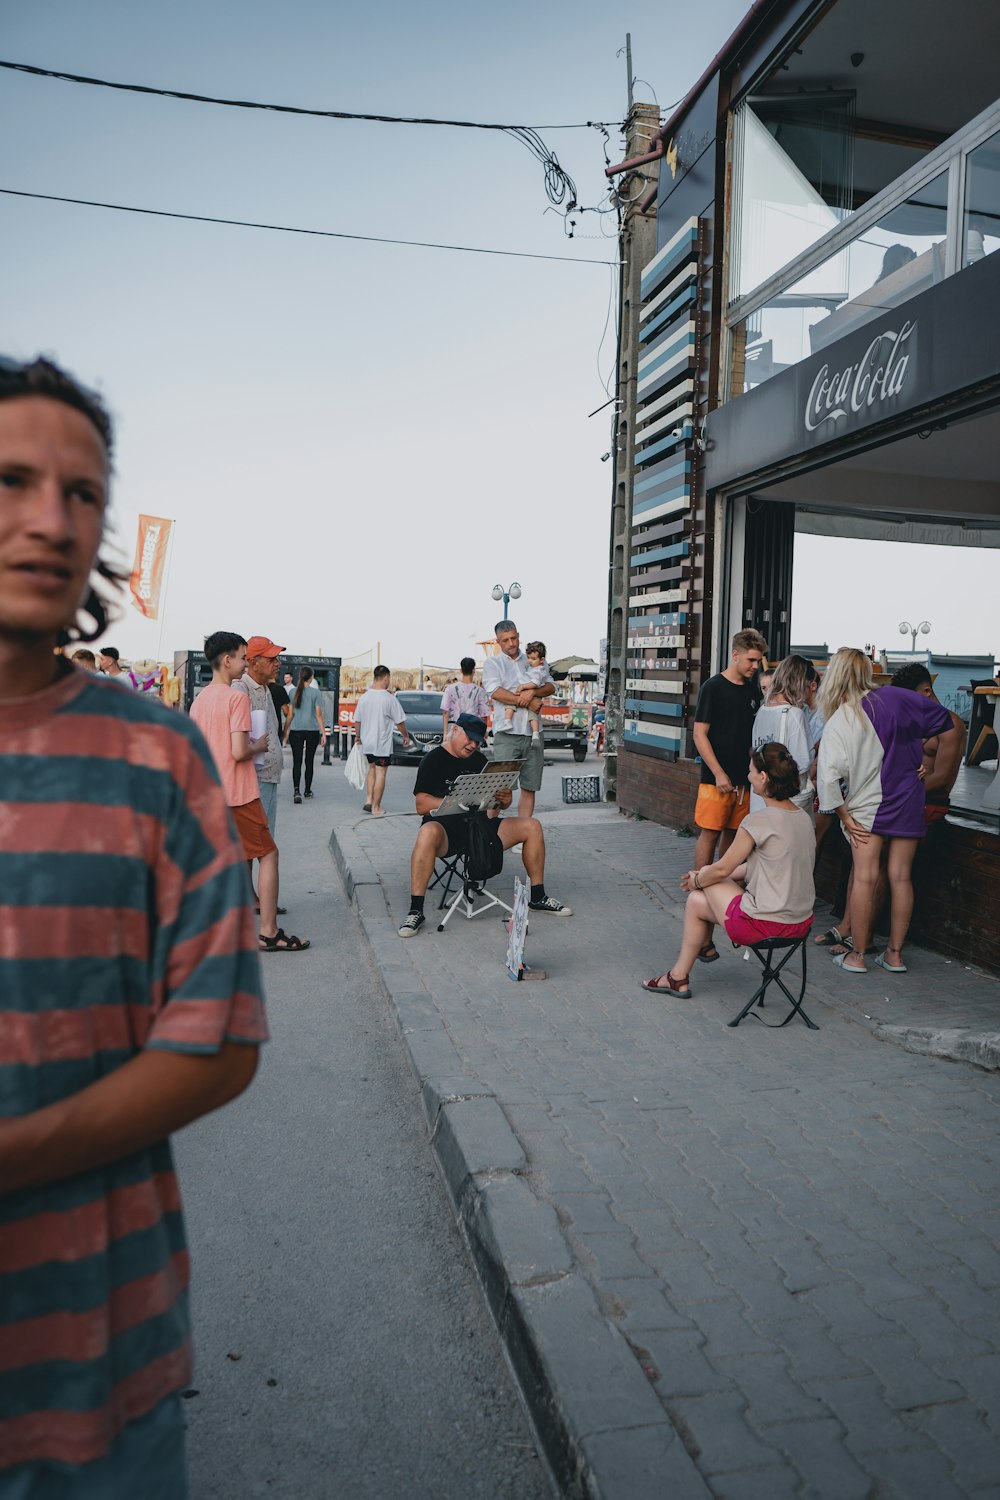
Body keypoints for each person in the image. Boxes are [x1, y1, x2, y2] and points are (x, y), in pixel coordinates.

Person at [0, 355, 266, 1493]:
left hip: (103, 1380)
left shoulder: (154, 759)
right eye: (11, 481)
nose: (50, 522)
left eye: (83, 495)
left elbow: (219, 1045)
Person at [816, 648, 959, 975]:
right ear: (867, 671)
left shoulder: (841, 718)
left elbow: (827, 778)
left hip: (867, 807)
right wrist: (922, 766)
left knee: (865, 877)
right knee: (901, 876)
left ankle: (858, 957)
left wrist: (843, 817)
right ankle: (894, 955)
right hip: (909, 800)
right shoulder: (897, 697)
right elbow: (947, 721)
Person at [642, 744, 814, 997]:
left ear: (764, 777)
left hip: (764, 925)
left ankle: (693, 958)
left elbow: (722, 870)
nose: (747, 776)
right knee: (697, 900)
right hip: (800, 924)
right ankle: (678, 977)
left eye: (751, 771)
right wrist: (702, 878)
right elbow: (757, 867)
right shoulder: (803, 818)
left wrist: (698, 878)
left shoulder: (758, 821)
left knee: (705, 884)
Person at [398, 713, 573, 936]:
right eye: (468, 739)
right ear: (455, 731)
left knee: (532, 826)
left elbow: (492, 811)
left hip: (480, 827)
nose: (472, 745)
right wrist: (457, 802)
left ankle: (537, 897)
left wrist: (502, 801)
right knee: (427, 832)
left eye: (477, 741)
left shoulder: (480, 761)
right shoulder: (433, 759)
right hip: (446, 832)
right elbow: (421, 805)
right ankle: (416, 910)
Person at [191, 631, 309, 952]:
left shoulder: (200, 700)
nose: (245, 663)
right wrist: (258, 744)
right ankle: (268, 931)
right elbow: (239, 750)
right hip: (239, 793)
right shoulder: (236, 697)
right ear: (227, 661)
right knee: (268, 854)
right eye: (243, 658)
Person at [691, 628, 767, 887]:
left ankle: (722, 886)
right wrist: (718, 773)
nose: (756, 666)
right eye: (751, 660)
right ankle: (699, 887)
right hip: (716, 779)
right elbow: (699, 734)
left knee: (734, 835)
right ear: (736, 655)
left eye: (758, 661)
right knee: (710, 833)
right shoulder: (713, 687)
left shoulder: (753, 691)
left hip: (745, 780)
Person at [482, 620, 555, 817]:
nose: (511, 643)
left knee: (529, 788)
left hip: (533, 734)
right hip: (507, 734)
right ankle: (488, 838)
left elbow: (551, 686)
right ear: (499, 642)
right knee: (500, 789)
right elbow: (495, 692)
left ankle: (523, 837)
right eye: (505, 640)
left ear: (519, 636)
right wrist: (527, 701)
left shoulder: (534, 659)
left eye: (514, 638)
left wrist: (532, 693)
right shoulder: (492, 663)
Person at [749, 654, 818, 819]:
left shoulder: (762, 711)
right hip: (787, 800)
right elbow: (802, 761)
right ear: (799, 682)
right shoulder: (794, 714)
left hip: (761, 796)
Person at [354, 663, 410, 816]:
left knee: (371, 769)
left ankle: (369, 799)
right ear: (385, 678)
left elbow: (357, 721)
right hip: (382, 744)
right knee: (381, 772)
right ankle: (376, 808)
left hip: (367, 742)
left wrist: (358, 737)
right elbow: (400, 721)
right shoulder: (389, 699)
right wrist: (406, 736)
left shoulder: (364, 697)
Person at [284, 664, 327, 804]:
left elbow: (290, 714)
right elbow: (319, 714)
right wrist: (324, 733)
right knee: (309, 762)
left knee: (297, 762)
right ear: (312, 677)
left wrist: (285, 731)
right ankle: (307, 790)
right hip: (312, 731)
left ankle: (296, 791)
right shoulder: (316, 693)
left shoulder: (292, 692)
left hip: (296, 730)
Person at [440, 656, 490, 737]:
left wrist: (445, 733)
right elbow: (484, 716)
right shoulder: (480, 691)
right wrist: (483, 732)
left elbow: (446, 712)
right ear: (474, 670)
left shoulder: (450, 689)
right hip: (473, 731)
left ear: (461, 670)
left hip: (454, 729)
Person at [519, 640, 550, 745]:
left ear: (542, 660)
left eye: (533, 659)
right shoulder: (532, 668)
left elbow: (535, 683)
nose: (530, 661)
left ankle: (535, 733)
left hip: (535, 695)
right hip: (529, 692)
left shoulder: (539, 670)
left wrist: (523, 686)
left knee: (533, 714)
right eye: (528, 658)